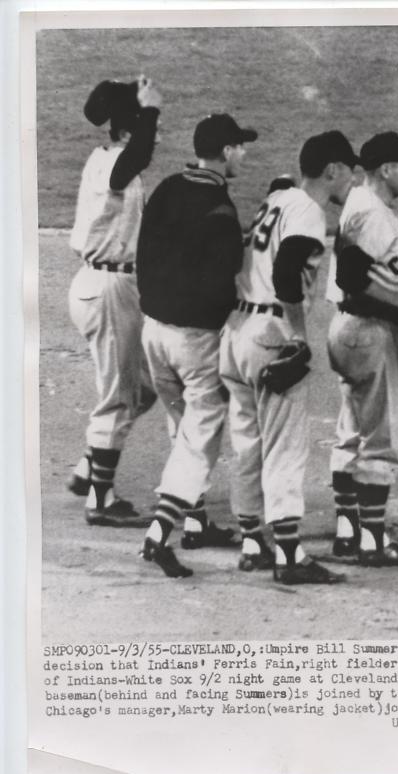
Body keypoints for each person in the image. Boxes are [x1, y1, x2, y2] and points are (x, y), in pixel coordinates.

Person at [219, 131, 359, 585]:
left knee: (247, 442)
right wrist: (299, 336)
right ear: (332, 170)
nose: (351, 182)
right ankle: (290, 555)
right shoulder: (308, 210)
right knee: (283, 447)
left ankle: (252, 541)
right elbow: (286, 272)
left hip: (237, 333)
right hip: (271, 333)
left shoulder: (276, 200)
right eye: (349, 172)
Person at [135, 113, 256, 578]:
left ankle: (196, 521)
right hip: (195, 341)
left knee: (180, 425)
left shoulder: (167, 186)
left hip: (154, 332)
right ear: (225, 151)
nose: (243, 153)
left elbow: (147, 252)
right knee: (198, 440)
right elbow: (223, 283)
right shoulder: (220, 208)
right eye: (240, 146)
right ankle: (159, 533)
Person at [326, 132, 398, 566]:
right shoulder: (373, 214)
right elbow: (353, 279)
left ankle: (350, 528)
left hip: (351, 331)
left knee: (353, 432)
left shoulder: (365, 206)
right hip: (371, 332)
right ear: (385, 170)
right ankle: (373, 543)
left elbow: (384, 256)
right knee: (380, 440)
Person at [68, 76, 161, 526]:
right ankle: (101, 501)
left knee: (143, 388)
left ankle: (90, 468)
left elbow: (137, 157)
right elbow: (138, 155)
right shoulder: (114, 163)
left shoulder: (104, 158)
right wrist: (152, 110)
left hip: (107, 286)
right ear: (134, 124)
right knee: (117, 399)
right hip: (107, 290)